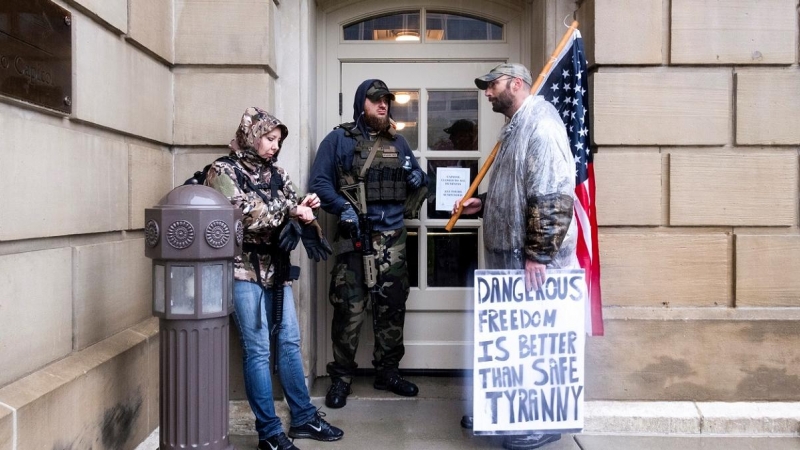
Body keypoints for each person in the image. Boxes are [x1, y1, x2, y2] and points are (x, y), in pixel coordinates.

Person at [454, 64, 578, 450]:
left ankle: (535, 423)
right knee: (509, 343)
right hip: (510, 260)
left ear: (516, 84)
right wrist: (486, 203)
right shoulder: (516, 127)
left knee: (534, 344)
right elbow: (521, 190)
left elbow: (554, 194)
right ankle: (500, 411)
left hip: (531, 265)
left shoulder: (540, 126)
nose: (487, 94)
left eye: (492, 86)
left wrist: (538, 254)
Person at [205, 107, 343, 450]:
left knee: (290, 343)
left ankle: (304, 418)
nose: (274, 146)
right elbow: (240, 215)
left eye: (278, 141)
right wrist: (290, 211)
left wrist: (306, 214)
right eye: (269, 138)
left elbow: (289, 210)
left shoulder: (278, 173)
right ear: (252, 135)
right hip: (241, 270)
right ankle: (268, 433)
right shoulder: (223, 170)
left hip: (276, 271)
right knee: (258, 350)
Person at [309, 79, 429, 409]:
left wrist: (419, 179)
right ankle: (341, 378)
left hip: (393, 242)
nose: (383, 105)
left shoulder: (398, 142)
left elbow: (417, 182)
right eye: (376, 100)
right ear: (362, 102)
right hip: (355, 240)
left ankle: (388, 372)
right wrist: (343, 208)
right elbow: (319, 183)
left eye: (386, 101)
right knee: (349, 311)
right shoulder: (338, 140)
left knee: (392, 309)